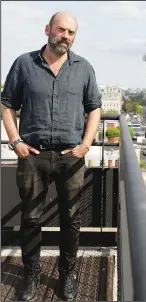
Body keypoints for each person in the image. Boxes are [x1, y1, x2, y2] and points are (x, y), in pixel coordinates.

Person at [1, 11, 101, 301]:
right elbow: (7, 103)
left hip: (71, 156)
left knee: (71, 219)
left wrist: (86, 144)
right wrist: (15, 140)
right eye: (61, 30)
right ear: (48, 30)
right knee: (31, 218)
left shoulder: (84, 68)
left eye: (71, 32)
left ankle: (67, 274)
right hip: (33, 155)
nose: (65, 36)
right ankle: (30, 275)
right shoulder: (24, 63)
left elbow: (94, 107)